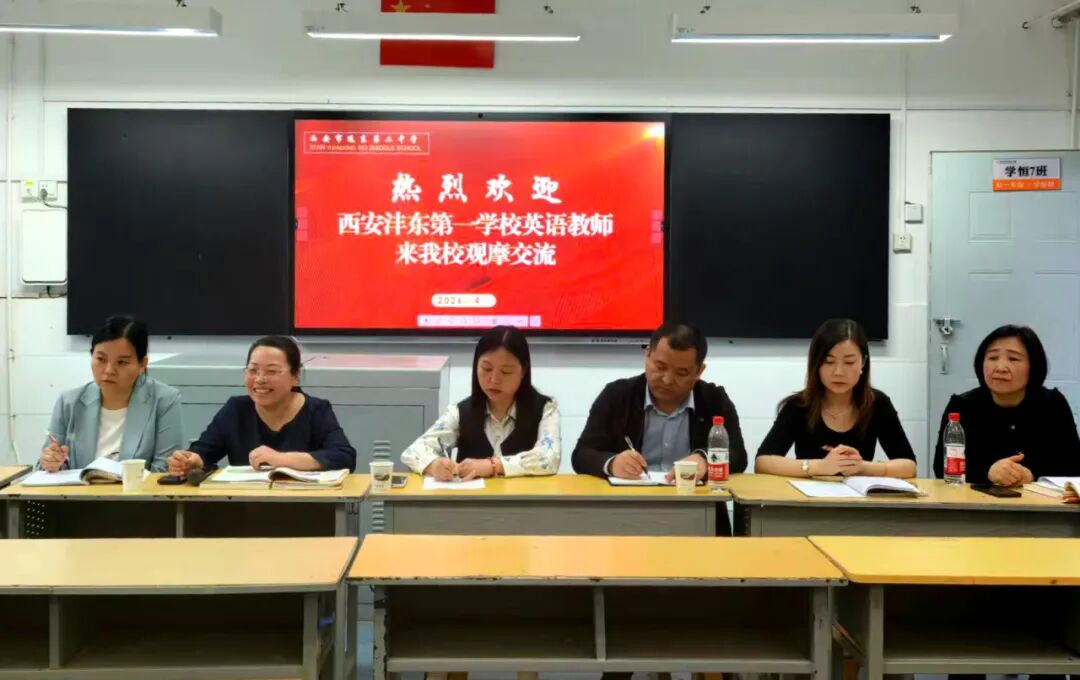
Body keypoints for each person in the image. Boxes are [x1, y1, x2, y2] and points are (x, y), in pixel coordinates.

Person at [572, 321, 747, 488]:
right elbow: (582, 454)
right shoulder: (617, 395)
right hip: (631, 500)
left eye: (681, 373)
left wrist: (705, 459)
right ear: (647, 355)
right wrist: (612, 464)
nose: (668, 380)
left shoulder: (713, 399)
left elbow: (739, 455)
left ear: (699, 371)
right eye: (660, 367)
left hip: (693, 499)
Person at [168, 335, 355, 475]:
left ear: (295, 376)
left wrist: (281, 459)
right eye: (253, 370)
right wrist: (191, 460)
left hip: (305, 507)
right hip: (244, 507)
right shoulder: (236, 409)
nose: (260, 379)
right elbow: (203, 452)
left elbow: (344, 457)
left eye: (271, 371)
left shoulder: (316, 410)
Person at [756, 318, 916, 478]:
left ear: (863, 363)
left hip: (858, 493)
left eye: (849, 362)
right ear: (816, 364)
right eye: (829, 361)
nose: (838, 372)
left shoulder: (877, 403)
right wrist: (820, 466)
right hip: (810, 493)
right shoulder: (799, 405)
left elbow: (909, 466)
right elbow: (763, 462)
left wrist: (864, 468)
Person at [402, 325, 559, 480]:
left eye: (506, 372)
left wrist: (493, 465)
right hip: (472, 497)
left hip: (524, 497)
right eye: (486, 368)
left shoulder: (545, 409)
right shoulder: (460, 412)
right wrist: (434, 465)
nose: (494, 379)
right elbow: (413, 451)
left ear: (523, 371)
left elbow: (549, 458)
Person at [933, 324, 1080, 487]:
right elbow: (941, 467)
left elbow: (1072, 465)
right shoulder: (962, 406)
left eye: (1013, 359)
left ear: (1034, 366)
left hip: (1039, 500)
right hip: (976, 500)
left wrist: (1032, 474)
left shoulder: (1052, 404)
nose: (1000, 368)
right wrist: (988, 472)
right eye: (992, 358)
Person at [40, 315, 182, 473]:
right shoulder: (68, 401)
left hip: (136, 489)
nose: (109, 370)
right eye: (101, 359)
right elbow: (43, 468)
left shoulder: (164, 400)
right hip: (81, 488)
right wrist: (51, 462)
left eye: (122, 362)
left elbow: (164, 470)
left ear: (142, 364)